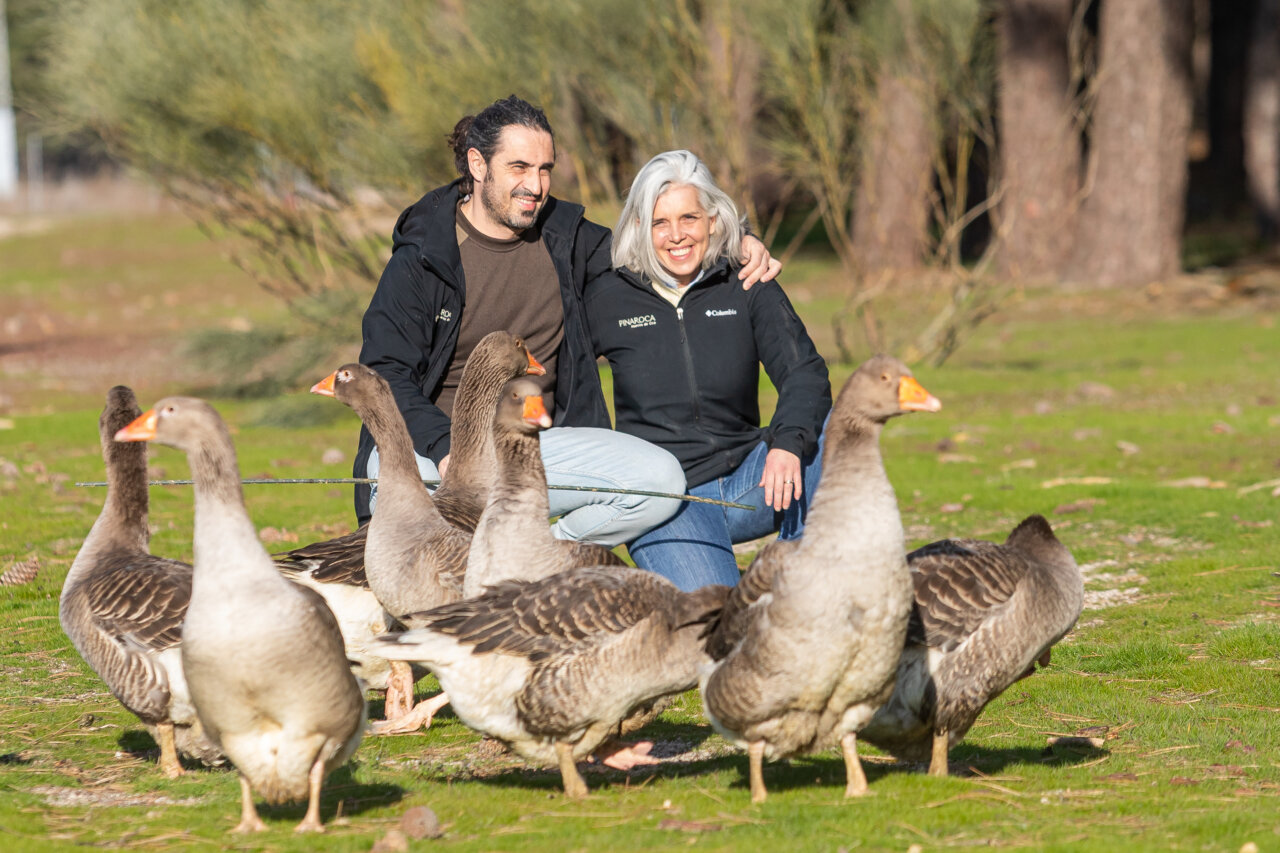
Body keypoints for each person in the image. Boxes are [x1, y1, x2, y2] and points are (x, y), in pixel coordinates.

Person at [354, 97, 779, 548]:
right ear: (478, 165)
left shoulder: (570, 239)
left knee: (661, 481)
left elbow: (658, 245)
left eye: (545, 169)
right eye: (519, 167)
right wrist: (446, 449)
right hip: (432, 449)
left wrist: (740, 239)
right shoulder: (422, 258)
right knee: (398, 495)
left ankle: (537, 557)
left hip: (530, 448)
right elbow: (385, 375)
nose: (535, 186)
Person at [585, 150, 832, 590]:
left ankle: (798, 578)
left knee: (837, 426)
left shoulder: (747, 282)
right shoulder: (609, 295)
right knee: (718, 621)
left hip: (752, 482)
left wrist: (788, 445)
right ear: (640, 227)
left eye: (689, 219)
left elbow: (805, 372)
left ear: (713, 221)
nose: (676, 236)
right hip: (667, 502)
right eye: (660, 222)